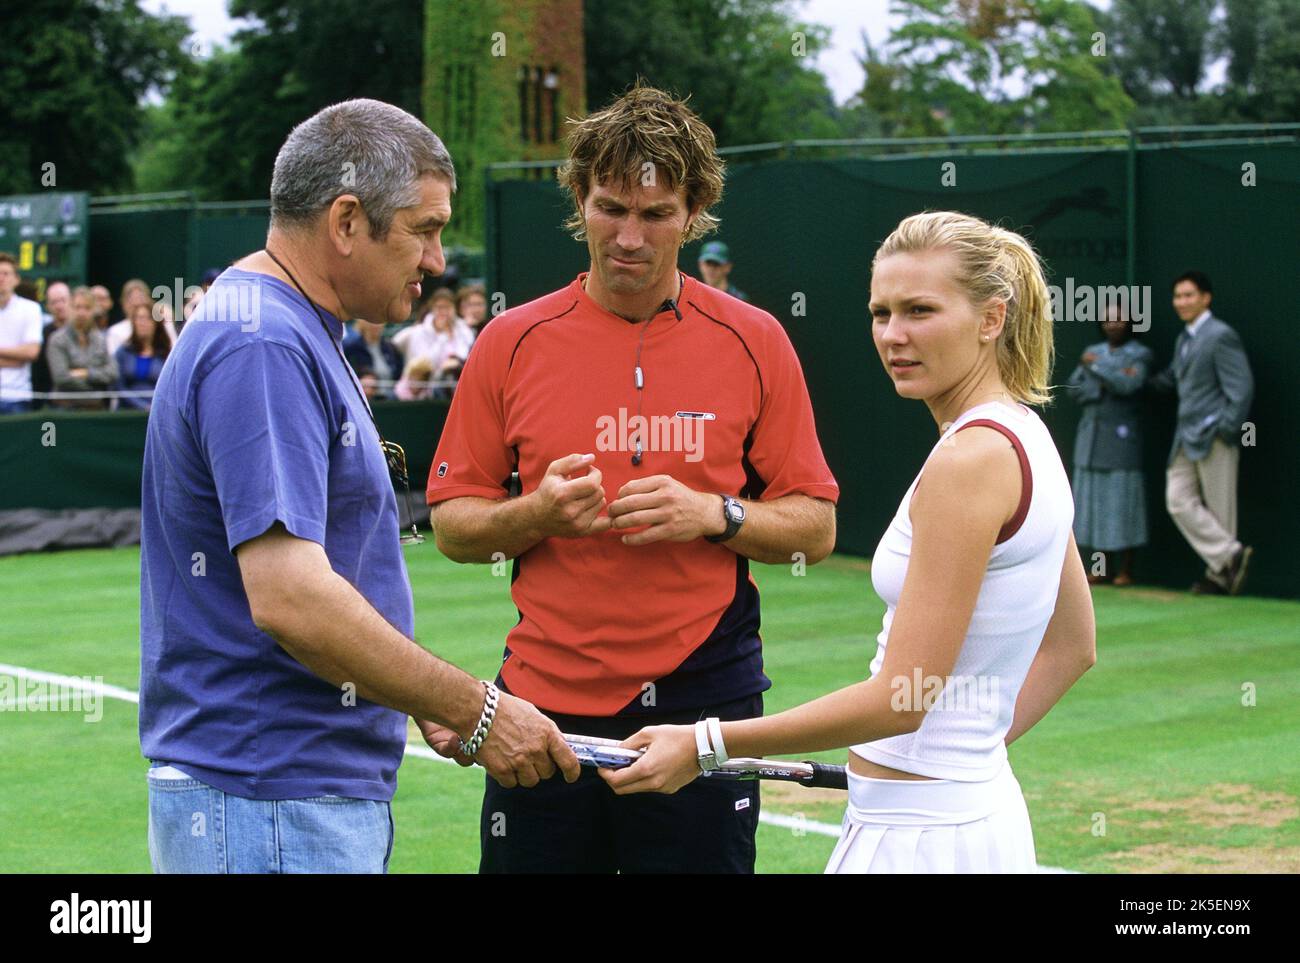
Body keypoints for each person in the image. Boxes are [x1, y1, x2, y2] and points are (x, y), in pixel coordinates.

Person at [138, 98, 578, 875]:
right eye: (426, 228)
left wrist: (414, 697)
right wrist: (471, 707)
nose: (438, 260)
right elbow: (291, 597)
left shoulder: (284, 323)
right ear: (346, 221)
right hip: (271, 801)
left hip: (276, 797)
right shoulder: (263, 341)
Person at [602, 211, 1097, 875]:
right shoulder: (1024, 433)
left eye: (920, 310)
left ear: (991, 318)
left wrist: (705, 742)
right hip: (966, 815)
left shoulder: (969, 461)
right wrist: (963, 757)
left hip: (920, 841)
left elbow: (903, 697)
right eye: (881, 311)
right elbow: (1074, 646)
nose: (894, 335)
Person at [427, 84, 839, 874]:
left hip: (703, 702)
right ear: (579, 198)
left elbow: (815, 525)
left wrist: (716, 513)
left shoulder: (756, 339)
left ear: (695, 212)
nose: (629, 236)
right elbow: (451, 523)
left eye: (656, 214)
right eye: (611, 207)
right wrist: (538, 512)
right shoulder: (510, 341)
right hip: (542, 708)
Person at [1149, 271, 1254, 595]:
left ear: (1205, 298)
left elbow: (1241, 387)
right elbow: (1174, 379)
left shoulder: (1220, 335)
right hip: (1185, 435)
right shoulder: (1185, 339)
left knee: (1221, 510)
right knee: (1177, 500)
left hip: (1214, 435)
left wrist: (1226, 428)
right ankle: (1229, 557)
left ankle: (1220, 576)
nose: (1181, 302)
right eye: (1178, 296)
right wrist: (1136, 379)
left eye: (1188, 295)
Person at [1067, 303, 1153, 586]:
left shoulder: (1139, 354)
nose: (1112, 325)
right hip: (1090, 441)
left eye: (1119, 320)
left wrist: (1098, 368)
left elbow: (1129, 385)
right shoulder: (1094, 349)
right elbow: (1075, 388)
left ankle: (1125, 571)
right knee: (1093, 506)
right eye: (1107, 320)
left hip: (1121, 442)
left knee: (1122, 502)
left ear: (1130, 323)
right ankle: (1101, 569)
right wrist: (1106, 381)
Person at [46, 286, 119, 410]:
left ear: (94, 310)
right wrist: (95, 386)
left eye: (87, 308)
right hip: (65, 408)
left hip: (97, 408)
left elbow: (112, 372)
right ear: (69, 308)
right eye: (77, 307)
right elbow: (61, 377)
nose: (81, 313)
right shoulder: (57, 339)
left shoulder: (100, 339)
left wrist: (86, 373)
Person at [393, 285, 475, 384]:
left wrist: (456, 363)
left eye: (448, 307)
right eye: (440, 307)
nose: (444, 312)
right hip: (427, 389)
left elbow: (467, 356)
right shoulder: (420, 331)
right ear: (432, 309)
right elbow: (425, 365)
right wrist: (442, 336)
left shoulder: (463, 329)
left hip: (458, 383)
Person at [0, 252, 45, 414]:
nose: (1, 278)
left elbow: (31, 352)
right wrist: (15, 357)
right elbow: (21, 356)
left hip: (17, 398)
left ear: (16, 279)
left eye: (6, 274)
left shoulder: (31, 309)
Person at [114, 301, 173, 410]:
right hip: (126, 414)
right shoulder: (123, 352)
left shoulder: (167, 355)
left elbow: (171, 389)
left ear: (156, 323)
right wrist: (143, 406)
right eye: (139, 318)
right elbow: (119, 387)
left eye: (148, 318)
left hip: (157, 412)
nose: (143, 323)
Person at [31, 280, 74, 407]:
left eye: (63, 300)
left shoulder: (83, 333)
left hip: (80, 399)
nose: (59, 306)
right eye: (54, 302)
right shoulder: (41, 335)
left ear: (71, 301)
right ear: (48, 306)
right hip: (50, 402)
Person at [343, 318, 403, 399]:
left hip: (391, 399)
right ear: (363, 323)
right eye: (371, 322)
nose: (376, 325)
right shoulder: (350, 347)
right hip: (363, 398)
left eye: (379, 322)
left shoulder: (390, 348)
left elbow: (398, 376)